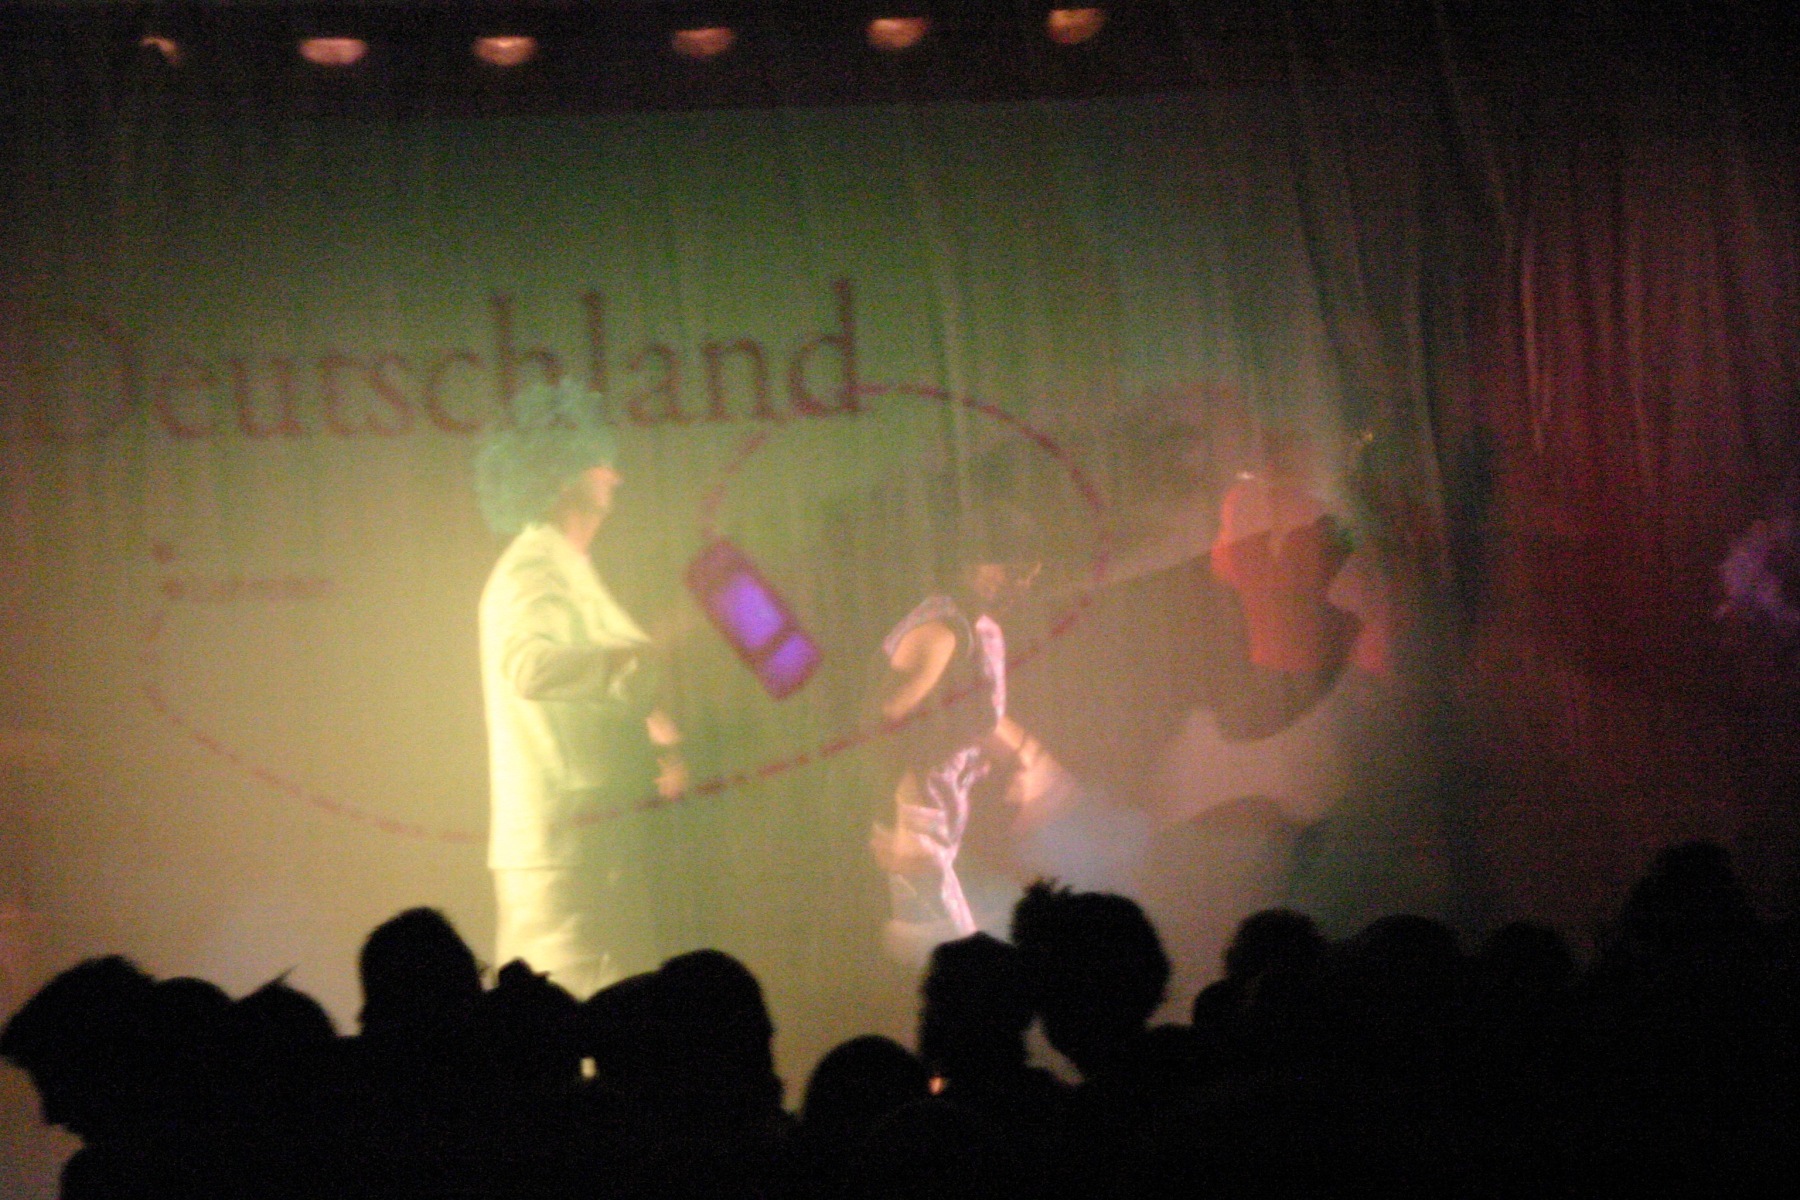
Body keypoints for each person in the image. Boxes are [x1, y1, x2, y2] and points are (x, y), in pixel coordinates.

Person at [476, 382, 682, 998]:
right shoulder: (534, 567)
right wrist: (637, 659)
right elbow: (527, 665)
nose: (614, 474)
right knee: (567, 1017)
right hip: (564, 855)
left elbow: (607, 680)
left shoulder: (567, 566)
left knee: (607, 1012)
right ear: (560, 474)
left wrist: (660, 735)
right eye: (599, 459)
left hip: (587, 842)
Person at [870, 514, 1048, 960]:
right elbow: (882, 723)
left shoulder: (981, 628)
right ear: (971, 565)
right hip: (917, 828)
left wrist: (1019, 758)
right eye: (1011, 570)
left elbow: (972, 718)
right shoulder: (941, 632)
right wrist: (907, 829)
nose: (1020, 586)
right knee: (951, 961)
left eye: (1029, 575)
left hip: (939, 823)